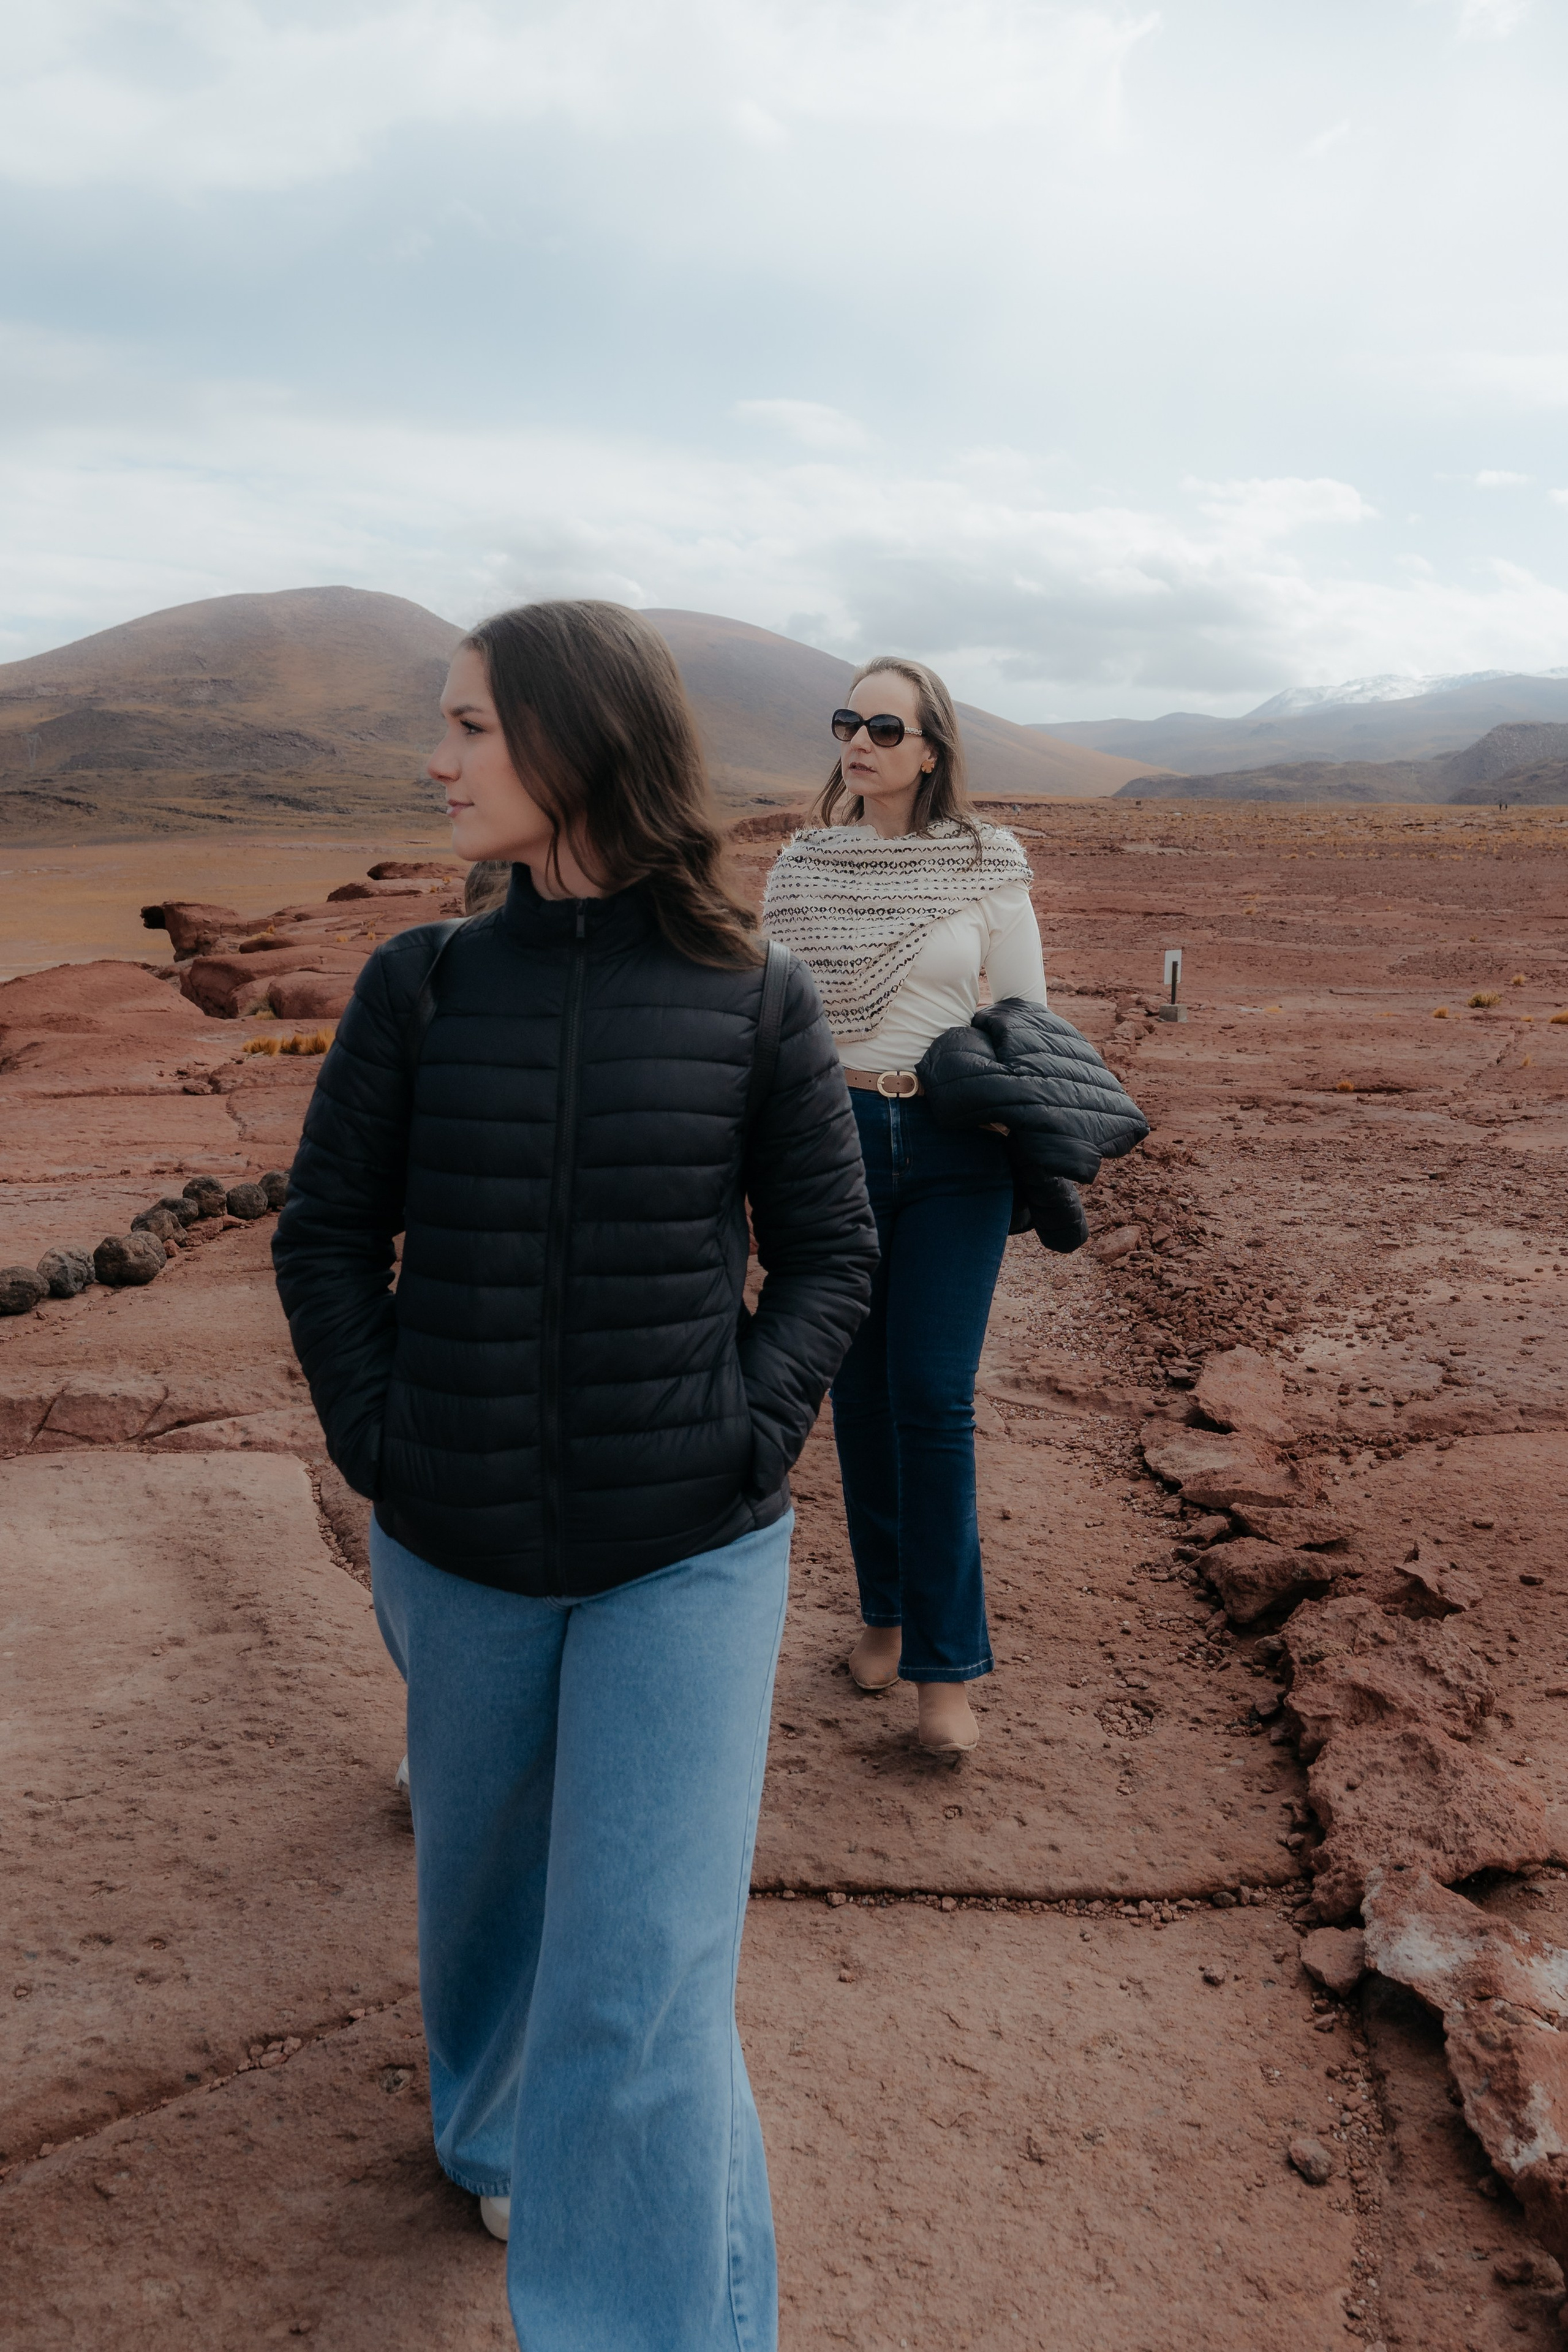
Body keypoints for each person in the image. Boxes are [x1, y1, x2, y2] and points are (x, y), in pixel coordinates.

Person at [273, 600, 877, 2352]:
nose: (438, 759)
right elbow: (328, 1241)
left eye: (468, 726)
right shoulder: (422, 982)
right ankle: (483, 2127)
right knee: (480, 1903)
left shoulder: (755, 997)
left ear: (575, 739)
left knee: (642, 1984)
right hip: (454, 1543)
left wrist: (744, 1434)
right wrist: (389, 1444)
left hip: (683, 1554)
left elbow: (830, 1253)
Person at [761, 657, 1046, 1758]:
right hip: (829, 1144)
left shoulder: (985, 861)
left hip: (953, 1144)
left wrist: (1031, 1142)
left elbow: (1024, 1014)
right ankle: (882, 1612)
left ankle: (945, 1671)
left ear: (932, 750)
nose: (861, 741)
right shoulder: (799, 867)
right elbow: (773, 1020)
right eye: (849, 722)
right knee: (861, 1397)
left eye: (887, 725)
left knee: (931, 1398)